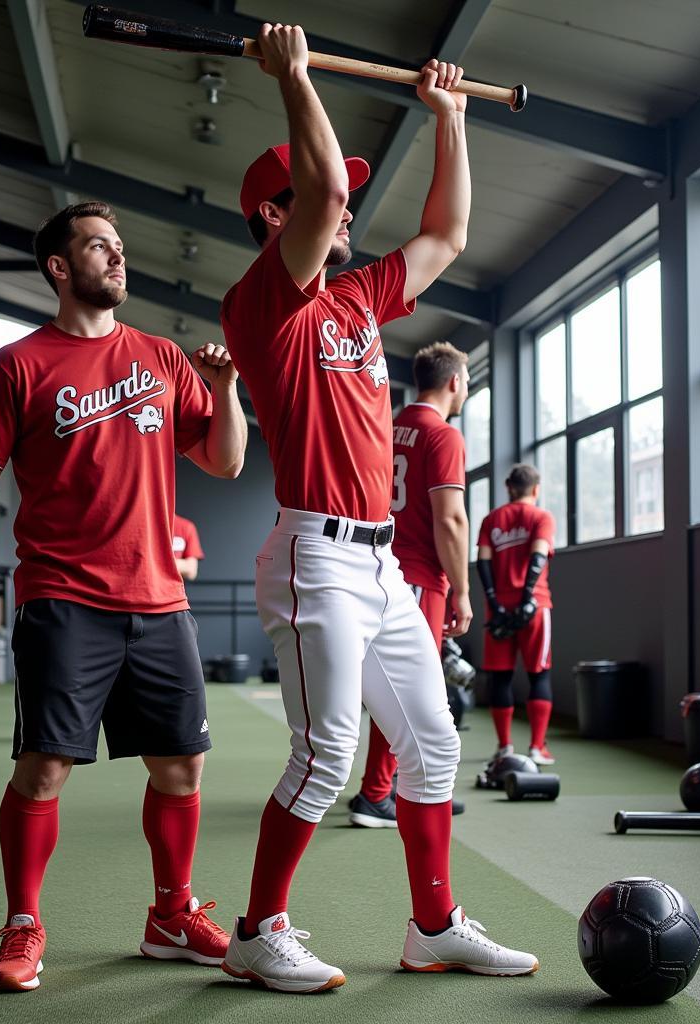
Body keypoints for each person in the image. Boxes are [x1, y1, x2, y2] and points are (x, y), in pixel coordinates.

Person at [218, 23, 537, 992]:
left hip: (378, 565)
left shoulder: (357, 299)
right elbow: (324, 192)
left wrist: (450, 119)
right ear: (274, 217)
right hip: (313, 554)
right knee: (326, 755)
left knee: (434, 739)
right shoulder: (264, 301)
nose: (346, 209)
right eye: (323, 198)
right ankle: (255, 931)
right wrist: (296, 79)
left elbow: (447, 236)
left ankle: (433, 924)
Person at [0, 201, 247, 992]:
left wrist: (226, 388)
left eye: (119, 245)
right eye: (99, 247)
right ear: (58, 266)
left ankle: (171, 915)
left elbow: (225, 462)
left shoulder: (160, 356)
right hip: (62, 597)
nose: (117, 258)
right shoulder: (17, 364)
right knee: (43, 772)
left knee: (182, 768)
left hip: (158, 602)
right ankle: (21, 925)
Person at [349, 342, 472, 828]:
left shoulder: (383, 424)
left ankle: (393, 786)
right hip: (417, 574)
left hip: (371, 566)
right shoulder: (442, 436)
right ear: (454, 382)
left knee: (392, 682)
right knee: (406, 685)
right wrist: (462, 588)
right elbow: (451, 519)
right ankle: (377, 793)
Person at [477, 464, 556, 765]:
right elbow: (538, 554)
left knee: (501, 677)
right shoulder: (542, 517)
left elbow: (483, 562)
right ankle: (537, 747)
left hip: (499, 609)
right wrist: (527, 599)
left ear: (509, 487)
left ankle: (504, 746)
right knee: (539, 674)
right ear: (535, 489)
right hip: (535, 605)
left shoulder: (491, 520)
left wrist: (495, 603)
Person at [173, 513, 205, 581]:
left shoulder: (185, 526)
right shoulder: (147, 524)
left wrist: (155, 563)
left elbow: (191, 570)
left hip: (173, 589)